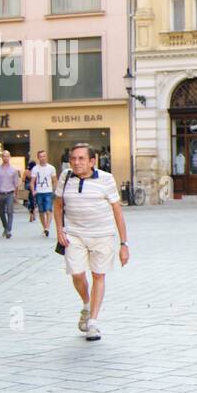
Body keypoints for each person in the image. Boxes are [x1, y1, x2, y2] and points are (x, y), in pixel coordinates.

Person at [53, 143, 130, 342]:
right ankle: (86, 305)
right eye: (73, 159)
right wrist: (59, 230)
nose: (76, 163)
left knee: (98, 275)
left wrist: (124, 244)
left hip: (102, 235)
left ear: (92, 161)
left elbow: (117, 211)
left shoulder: (106, 179)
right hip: (74, 234)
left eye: (81, 159)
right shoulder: (66, 177)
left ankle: (93, 322)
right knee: (77, 274)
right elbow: (58, 204)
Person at [0, 150, 21, 239]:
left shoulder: (14, 170)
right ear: (1, 157)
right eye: (4, 156)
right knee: (1, 212)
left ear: (9, 157)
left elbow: (16, 184)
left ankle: (8, 230)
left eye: (7, 156)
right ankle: (5, 227)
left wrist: (16, 194)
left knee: (10, 212)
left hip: (10, 193)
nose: (5, 158)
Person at [29, 150, 58, 237]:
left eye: (44, 156)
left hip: (48, 191)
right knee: (41, 211)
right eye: (41, 156)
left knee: (49, 210)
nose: (42, 158)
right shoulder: (35, 169)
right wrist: (33, 190)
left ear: (46, 157)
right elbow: (32, 182)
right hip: (39, 192)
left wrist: (55, 190)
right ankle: (44, 227)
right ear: (38, 158)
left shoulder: (51, 168)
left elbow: (55, 180)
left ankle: (47, 228)